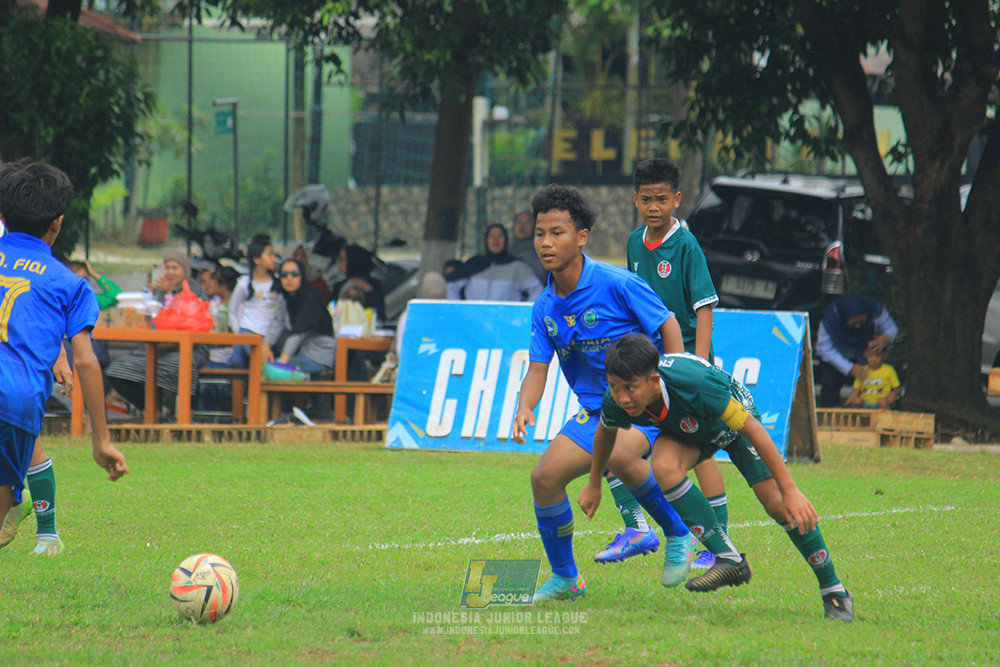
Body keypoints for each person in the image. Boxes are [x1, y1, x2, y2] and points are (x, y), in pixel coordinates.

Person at [579, 334, 854, 621]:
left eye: (630, 388)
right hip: (689, 431)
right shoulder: (617, 399)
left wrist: (791, 490)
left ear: (654, 380)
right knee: (665, 467)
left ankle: (834, 590)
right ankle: (729, 559)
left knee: (777, 504)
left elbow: (753, 430)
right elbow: (605, 433)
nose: (622, 397)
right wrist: (594, 482)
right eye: (614, 387)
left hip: (731, 428)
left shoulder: (696, 385)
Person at [511, 184, 693, 603]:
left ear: (581, 237)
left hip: (645, 408)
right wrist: (525, 406)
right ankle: (566, 579)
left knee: (620, 454)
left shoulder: (616, 283)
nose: (545, 242)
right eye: (540, 233)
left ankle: (678, 533)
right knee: (544, 479)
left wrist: (674, 380)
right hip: (598, 412)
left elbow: (666, 325)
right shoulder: (544, 307)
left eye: (557, 232)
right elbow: (538, 369)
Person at [597, 157, 727, 570]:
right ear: (636, 200)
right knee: (614, 435)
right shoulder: (635, 242)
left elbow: (703, 305)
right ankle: (637, 528)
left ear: (677, 200)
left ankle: (716, 544)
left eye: (662, 200)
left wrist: (699, 364)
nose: (654, 207)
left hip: (685, 363)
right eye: (647, 200)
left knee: (700, 451)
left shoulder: (686, 245)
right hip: (647, 365)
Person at [0, 160, 128, 555]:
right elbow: (87, 361)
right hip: (15, 399)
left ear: (3, 217)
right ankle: (23, 512)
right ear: (57, 223)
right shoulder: (69, 284)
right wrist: (101, 441)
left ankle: (30, 519)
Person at [105, 251, 211, 413]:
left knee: (179, 364)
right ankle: (152, 410)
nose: (170, 272)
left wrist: (173, 292)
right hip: (158, 346)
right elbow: (157, 317)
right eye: (167, 268)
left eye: (175, 268)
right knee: (118, 370)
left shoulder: (193, 288)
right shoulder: (161, 289)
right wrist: (158, 294)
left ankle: (188, 413)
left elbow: (188, 316)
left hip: (189, 347)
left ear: (185, 270)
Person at [815, 294, 898, 408]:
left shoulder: (874, 309)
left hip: (868, 356)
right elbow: (824, 349)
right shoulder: (831, 320)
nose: (858, 326)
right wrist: (850, 368)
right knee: (830, 386)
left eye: (861, 322)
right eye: (854, 323)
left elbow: (891, 327)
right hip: (837, 358)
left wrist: (886, 338)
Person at [263, 258, 336, 376]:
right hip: (298, 352)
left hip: (318, 356)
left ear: (302, 277)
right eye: (284, 275)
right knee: (264, 368)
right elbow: (276, 323)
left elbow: (298, 333)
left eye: (294, 274)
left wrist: (282, 363)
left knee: (272, 373)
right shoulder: (284, 299)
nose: (289, 278)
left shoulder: (311, 298)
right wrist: (265, 347)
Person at [447, 223, 543, 302]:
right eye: (491, 235)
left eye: (499, 235)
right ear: (486, 240)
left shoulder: (517, 267)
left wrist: (524, 314)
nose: (495, 239)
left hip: (505, 321)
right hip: (474, 320)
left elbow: (537, 289)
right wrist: (460, 310)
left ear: (506, 240)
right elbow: (451, 286)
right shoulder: (474, 264)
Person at [227, 234, 279, 367]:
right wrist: (239, 333)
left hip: (269, 334)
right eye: (270, 254)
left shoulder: (278, 283)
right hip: (248, 330)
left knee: (261, 362)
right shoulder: (244, 283)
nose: (274, 258)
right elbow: (232, 311)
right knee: (239, 362)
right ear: (257, 259)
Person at [335, 244, 385, 323]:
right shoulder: (338, 286)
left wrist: (369, 290)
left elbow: (379, 314)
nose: (339, 263)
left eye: (342, 259)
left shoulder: (374, 285)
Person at [845, 344, 901, 409]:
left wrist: (892, 395)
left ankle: (886, 418)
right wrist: (846, 405)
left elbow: (897, 388)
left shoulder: (889, 370)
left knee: (882, 402)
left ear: (884, 355)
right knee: (856, 401)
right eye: (870, 356)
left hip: (881, 401)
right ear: (865, 355)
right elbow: (856, 390)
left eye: (878, 356)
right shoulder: (862, 371)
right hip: (865, 402)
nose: (874, 359)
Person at [509, 209, 547, 282]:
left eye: (527, 222)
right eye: (519, 222)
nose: (522, 226)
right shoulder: (506, 252)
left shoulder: (542, 251)